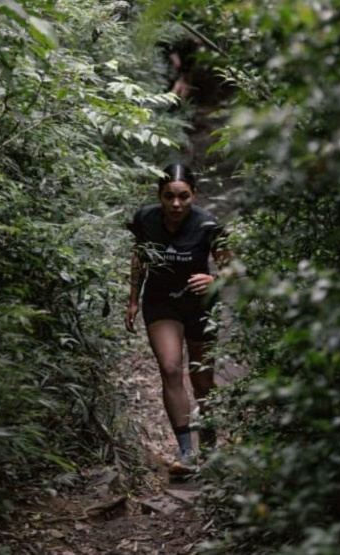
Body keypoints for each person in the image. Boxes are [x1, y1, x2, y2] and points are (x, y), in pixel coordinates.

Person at [125, 163, 232, 475]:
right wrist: (133, 299)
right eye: (169, 196)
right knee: (170, 368)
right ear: (159, 195)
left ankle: (209, 444)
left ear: (193, 195)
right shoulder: (146, 219)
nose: (176, 204)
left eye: (183, 196)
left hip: (200, 305)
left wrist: (215, 280)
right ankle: (186, 451)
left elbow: (232, 267)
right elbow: (139, 256)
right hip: (161, 303)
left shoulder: (207, 224)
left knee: (202, 379)